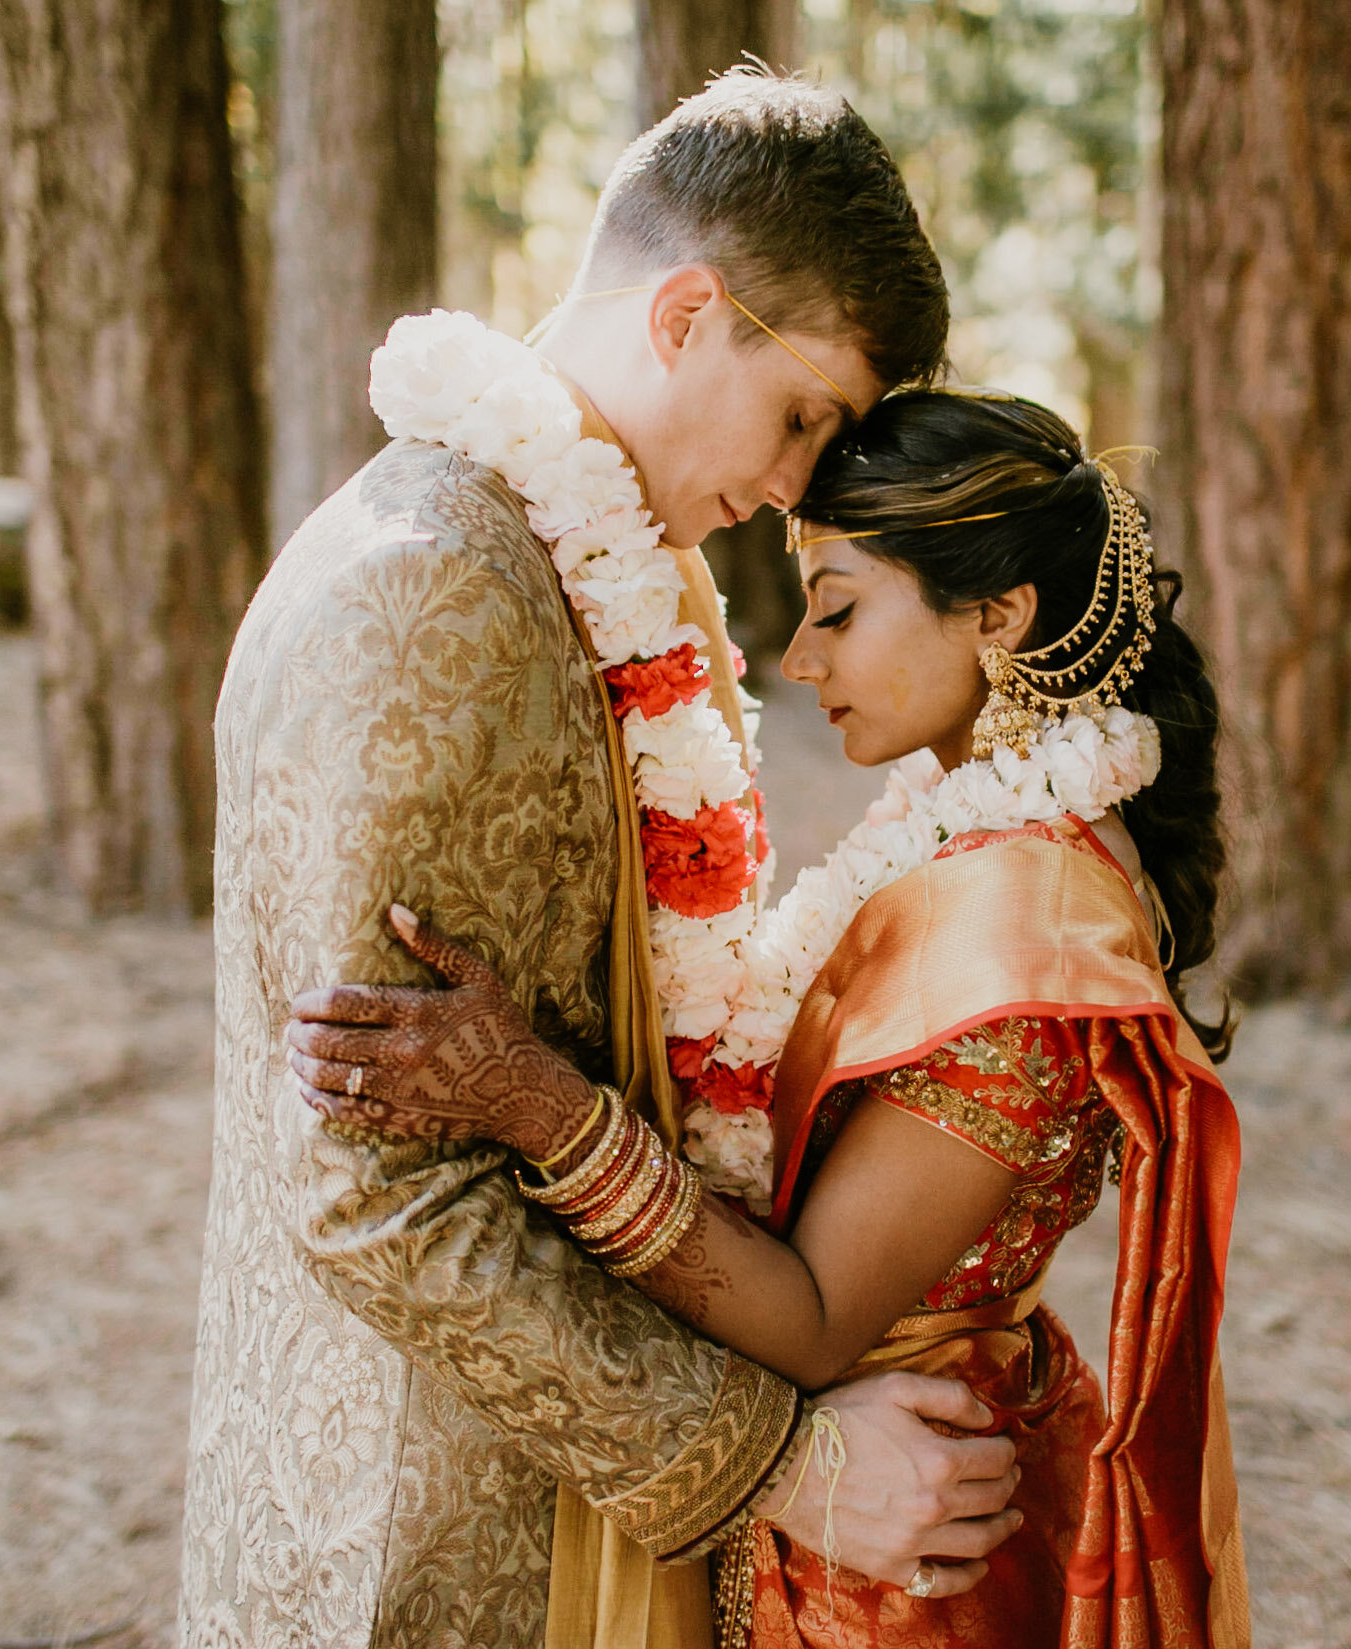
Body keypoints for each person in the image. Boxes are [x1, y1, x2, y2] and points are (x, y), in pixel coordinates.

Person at [178, 75, 1028, 1649]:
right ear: (690, 309)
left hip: (558, 1512)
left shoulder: (586, 569)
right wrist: (781, 1463)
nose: (791, 490)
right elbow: (378, 1200)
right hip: (429, 1543)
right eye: (801, 420)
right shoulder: (433, 589)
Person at [289, 391, 1251, 1649]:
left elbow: (807, 1318)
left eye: (840, 608)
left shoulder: (1023, 922)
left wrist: (535, 1103)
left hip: (899, 1538)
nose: (801, 660)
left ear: (1000, 615)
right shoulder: (973, 820)